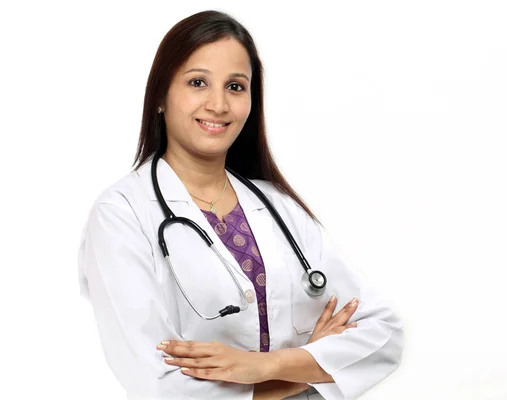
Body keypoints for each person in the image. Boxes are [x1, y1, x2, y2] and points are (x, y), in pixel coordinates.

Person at [78, 10, 403, 400]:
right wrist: (307, 367)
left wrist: (268, 365)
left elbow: (383, 333)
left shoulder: (279, 207)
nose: (218, 104)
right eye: (198, 82)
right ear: (161, 96)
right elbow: (157, 384)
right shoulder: (122, 214)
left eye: (235, 86)